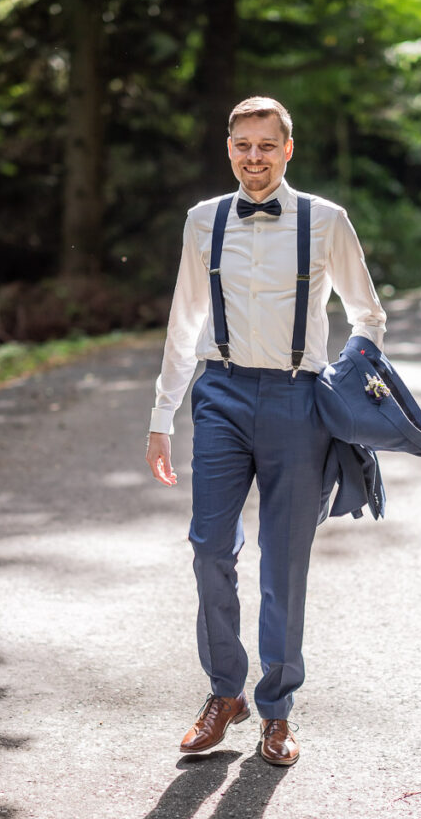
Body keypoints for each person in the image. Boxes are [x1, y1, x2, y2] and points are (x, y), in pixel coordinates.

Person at [146, 96, 386, 766]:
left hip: (296, 401)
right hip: (219, 393)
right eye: (241, 144)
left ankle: (276, 710)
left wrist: (346, 383)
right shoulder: (203, 221)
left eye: (265, 145)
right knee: (208, 548)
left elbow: (367, 314)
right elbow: (182, 321)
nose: (253, 156)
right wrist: (161, 418)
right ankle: (225, 693)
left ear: (288, 149)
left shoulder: (325, 220)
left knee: (284, 565)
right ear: (229, 149)